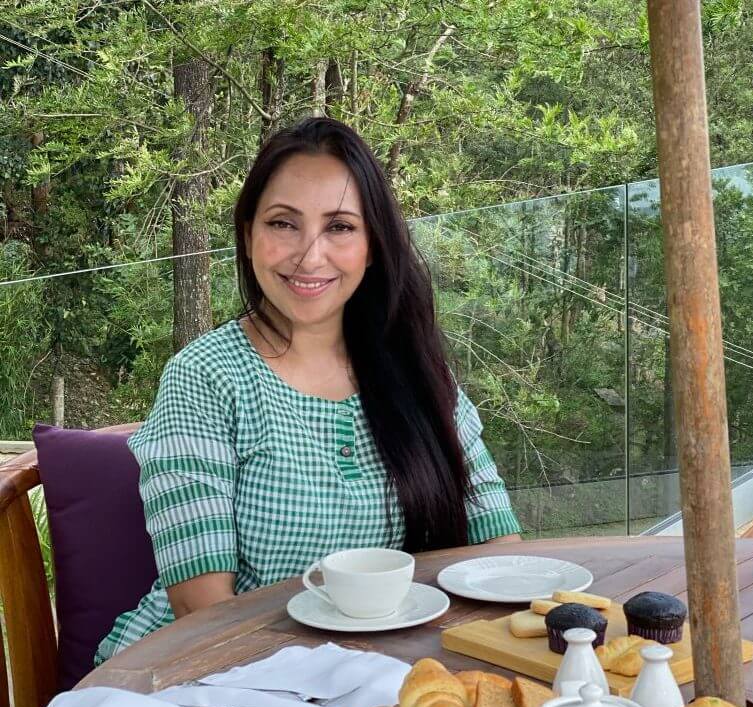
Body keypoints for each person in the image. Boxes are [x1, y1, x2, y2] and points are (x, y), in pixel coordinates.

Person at [95, 117, 521, 664]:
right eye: (283, 224)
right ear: (249, 234)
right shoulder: (204, 375)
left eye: (340, 227)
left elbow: (499, 551)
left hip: (375, 671)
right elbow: (201, 607)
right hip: (204, 674)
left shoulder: (418, 372)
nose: (309, 255)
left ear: (372, 246)